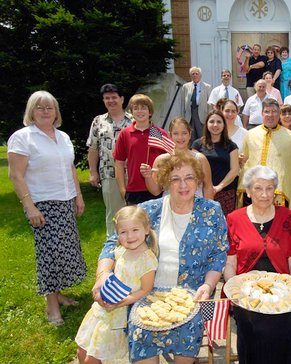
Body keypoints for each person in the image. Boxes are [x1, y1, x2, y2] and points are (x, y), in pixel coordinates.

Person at [93, 151, 229, 362]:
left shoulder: (211, 211)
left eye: (189, 177)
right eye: (175, 179)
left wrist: (208, 286)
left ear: (198, 180)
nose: (183, 185)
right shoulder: (149, 210)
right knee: (141, 339)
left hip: (191, 297)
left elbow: (218, 253)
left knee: (186, 345)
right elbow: (112, 241)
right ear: (165, 181)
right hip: (147, 295)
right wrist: (102, 275)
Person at [8, 90, 86, 326]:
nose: (44, 111)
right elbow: (16, 175)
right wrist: (29, 207)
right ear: (31, 111)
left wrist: (78, 196)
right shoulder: (22, 138)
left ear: (56, 112)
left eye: (49, 107)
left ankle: (59, 293)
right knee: (49, 255)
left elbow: (70, 168)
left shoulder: (62, 137)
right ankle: (51, 306)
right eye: (39, 107)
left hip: (65, 199)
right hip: (42, 203)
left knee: (63, 251)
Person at [224, 166, 291, 364]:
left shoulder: (286, 216)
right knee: (258, 324)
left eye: (270, 188)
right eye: (258, 188)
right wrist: (236, 291)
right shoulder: (234, 218)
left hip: (282, 289)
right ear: (248, 192)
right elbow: (230, 262)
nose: (264, 194)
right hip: (247, 292)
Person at [76, 206, 158, 364]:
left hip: (118, 316)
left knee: (92, 360)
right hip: (103, 310)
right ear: (117, 234)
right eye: (123, 232)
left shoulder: (147, 260)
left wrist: (122, 302)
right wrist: (103, 287)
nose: (130, 236)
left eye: (135, 230)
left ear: (146, 229)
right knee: (82, 351)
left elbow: (146, 290)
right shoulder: (121, 251)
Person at [240, 98, 291, 241]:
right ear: (261, 113)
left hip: (279, 195)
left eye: (274, 112)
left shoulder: (289, 136)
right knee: (253, 235)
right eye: (267, 111)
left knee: (277, 237)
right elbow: (244, 163)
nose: (270, 115)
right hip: (253, 193)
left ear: (279, 114)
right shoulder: (250, 134)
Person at [87, 84, 132, 237]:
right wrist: (93, 172)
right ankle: (112, 248)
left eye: (114, 97)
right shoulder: (98, 121)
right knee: (113, 213)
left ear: (122, 99)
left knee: (134, 211)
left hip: (132, 174)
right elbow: (93, 148)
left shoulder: (134, 120)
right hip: (109, 174)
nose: (111, 101)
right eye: (107, 98)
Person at [140, 117, 214, 199]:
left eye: (184, 133)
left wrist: (209, 210)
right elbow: (155, 191)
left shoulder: (200, 159)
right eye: (176, 133)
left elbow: (208, 187)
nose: (180, 137)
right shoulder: (161, 160)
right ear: (170, 135)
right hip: (170, 207)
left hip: (195, 207)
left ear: (189, 134)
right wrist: (148, 176)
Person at [113, 94, 167, 205]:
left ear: (150, 112)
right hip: (134, 189)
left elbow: (169, 161)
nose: (139, 111)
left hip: (156, 189)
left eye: (143, 108)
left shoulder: (159, 133)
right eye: (136, 108)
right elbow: (119, 163)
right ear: (131, 112)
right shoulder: (125, 134)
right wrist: (123, 189)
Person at [192, 111, 240, 215]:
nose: (215, 125)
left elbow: (234, 170)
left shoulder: (231, 146)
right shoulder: (197, 145)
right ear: (207, 124)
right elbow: (194, 169)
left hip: (225, 192)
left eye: (219, 122)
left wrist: (219, 187)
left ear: (224, 125)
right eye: (212, 121)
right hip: (201, 191)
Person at [180, 66, 212, 141]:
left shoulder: (207, 87)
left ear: (200, 75)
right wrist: (182, 117)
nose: (194, 75)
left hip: (202, 115)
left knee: (202, 135)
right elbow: (182, 103)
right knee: (190, 135)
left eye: (196, 73)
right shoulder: (185, 86)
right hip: (189, 114)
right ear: (190, 75)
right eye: (193, 74)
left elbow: (209, 104)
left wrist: (209, 116)